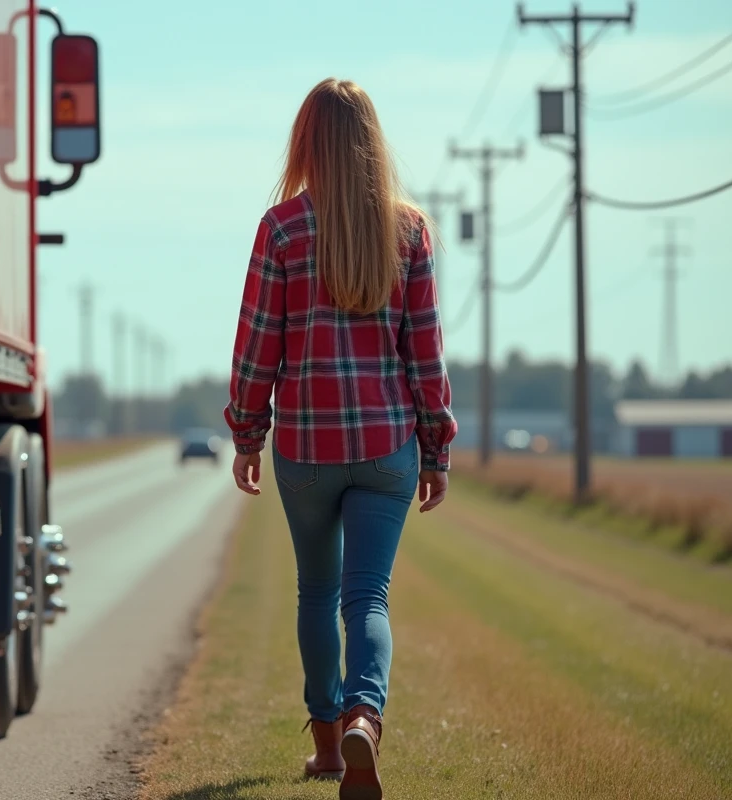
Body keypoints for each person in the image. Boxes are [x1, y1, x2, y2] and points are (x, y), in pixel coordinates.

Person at [223, 78, 457, 800]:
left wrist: (247, 434)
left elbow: (257, 345)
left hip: (307, 450)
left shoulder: (282, 228)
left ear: (306, 144)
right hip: (388, 446)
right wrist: (436, 448)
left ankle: (328, 747)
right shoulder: (409, 231)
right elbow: (427, 354)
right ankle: (365, 716)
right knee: (369, 599)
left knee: (317, 592)